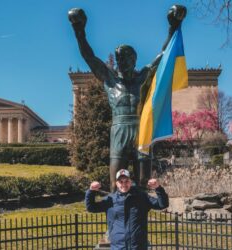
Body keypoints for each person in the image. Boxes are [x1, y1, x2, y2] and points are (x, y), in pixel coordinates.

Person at [68, 5, 187, 191]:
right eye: (118, 59)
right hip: (119, 131)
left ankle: (139, 218)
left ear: (134, 60)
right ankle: (116, 218)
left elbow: (165, 55)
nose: (121, 63)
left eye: (126, 59)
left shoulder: (143, 77)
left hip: (142, 130)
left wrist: (174, 25)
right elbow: (88, 56)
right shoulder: (110, 79)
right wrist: (79, 29)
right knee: (116, 186)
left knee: (143, 182)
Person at [85, 169, 169, 250]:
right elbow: (91, 207)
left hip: (138, 247)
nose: (123, 184)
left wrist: (158, 188)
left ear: (131, 182)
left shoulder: (142, 197)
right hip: (118, 247)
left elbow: (162, 204)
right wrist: (91, 191)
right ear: (117, 184)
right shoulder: (110, 199)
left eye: (126, 181)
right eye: (121, 182)